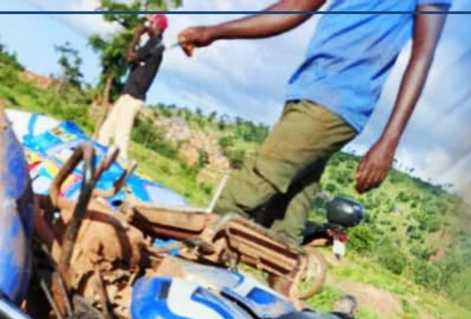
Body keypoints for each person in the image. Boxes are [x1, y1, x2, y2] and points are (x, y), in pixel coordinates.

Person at [177, 0, 451, 250]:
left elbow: (423, 55)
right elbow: (295, 6)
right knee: (283, 230)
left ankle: (184, 268)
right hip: (306, 94)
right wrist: (214, 32)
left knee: (236, 201)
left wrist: (389, 140)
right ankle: (282, 282)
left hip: (336, 104)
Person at [96, 14, 169, 165]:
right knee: (106, 131)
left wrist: (137, 35)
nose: (147, 26)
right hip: (127, 94)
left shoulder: (155, 45)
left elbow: (130, 57)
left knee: (121, 136)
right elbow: (133, 59)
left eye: (151, 24)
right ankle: (97, 157)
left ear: (157, 27)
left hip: (134, 97)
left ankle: (122, 166)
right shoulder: (152, 44)